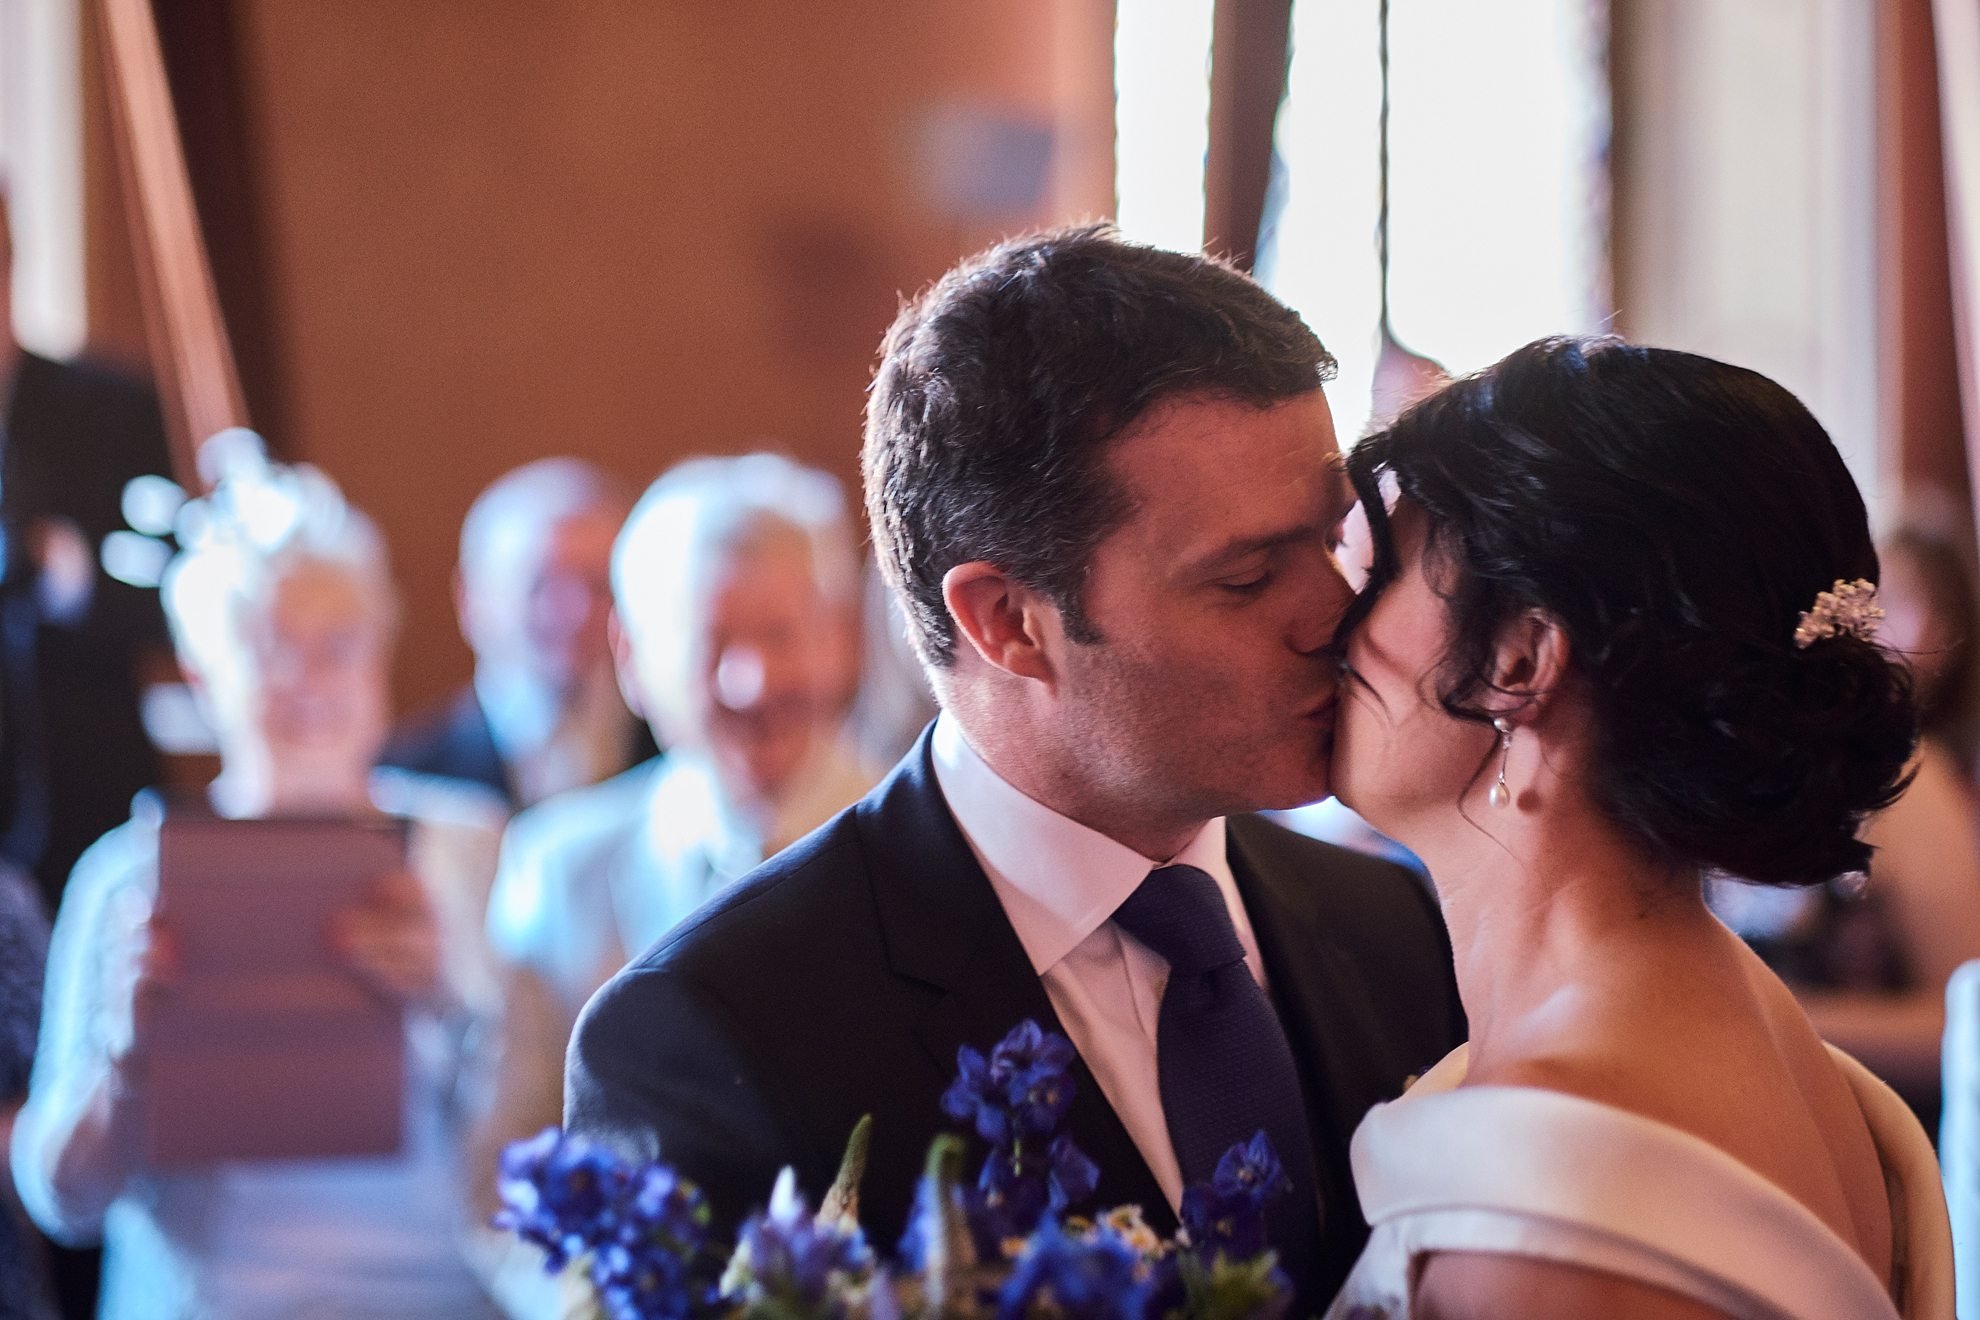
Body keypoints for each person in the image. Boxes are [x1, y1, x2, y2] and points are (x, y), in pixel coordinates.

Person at [565, 225, 1464, 1312]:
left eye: (1329, 542)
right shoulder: (716, 1033)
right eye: (1246, 576)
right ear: (1007, 622)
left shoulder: (1397, 926)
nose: (1332, 612)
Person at [1325, 338, 1952, 1318]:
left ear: (1520, 661)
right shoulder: (1750, 1021)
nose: (1332, 620)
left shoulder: (1550, 1222)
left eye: (1382, 573)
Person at [10, 436, 503, 1318]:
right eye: (269, 646)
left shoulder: (477, 849)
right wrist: (127, 1063)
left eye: (339, 645)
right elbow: (63, 1204)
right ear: (202, 675)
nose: (307, 680)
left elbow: (558, 1139)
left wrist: (452, 999)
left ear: (383, 654)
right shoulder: (131, 874)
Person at [469, 453, 873, 1313]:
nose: (752, 683)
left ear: (840, 636)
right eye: (713, 643)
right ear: (631, 655)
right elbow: (502, 1174)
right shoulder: (560, 866)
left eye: (782, 635)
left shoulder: (931, 845)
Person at [1712, 526, 1980, 1123]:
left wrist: (1770, 1021)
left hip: (1861, 1140)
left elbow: (1967, 1024)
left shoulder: (1908, 776)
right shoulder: (1682, 773)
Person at [380, 458, 652, 812]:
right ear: (471, 600)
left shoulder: (685, 760)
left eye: (599, 585)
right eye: (540, 584)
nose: (574, 612)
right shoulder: (403, 784)